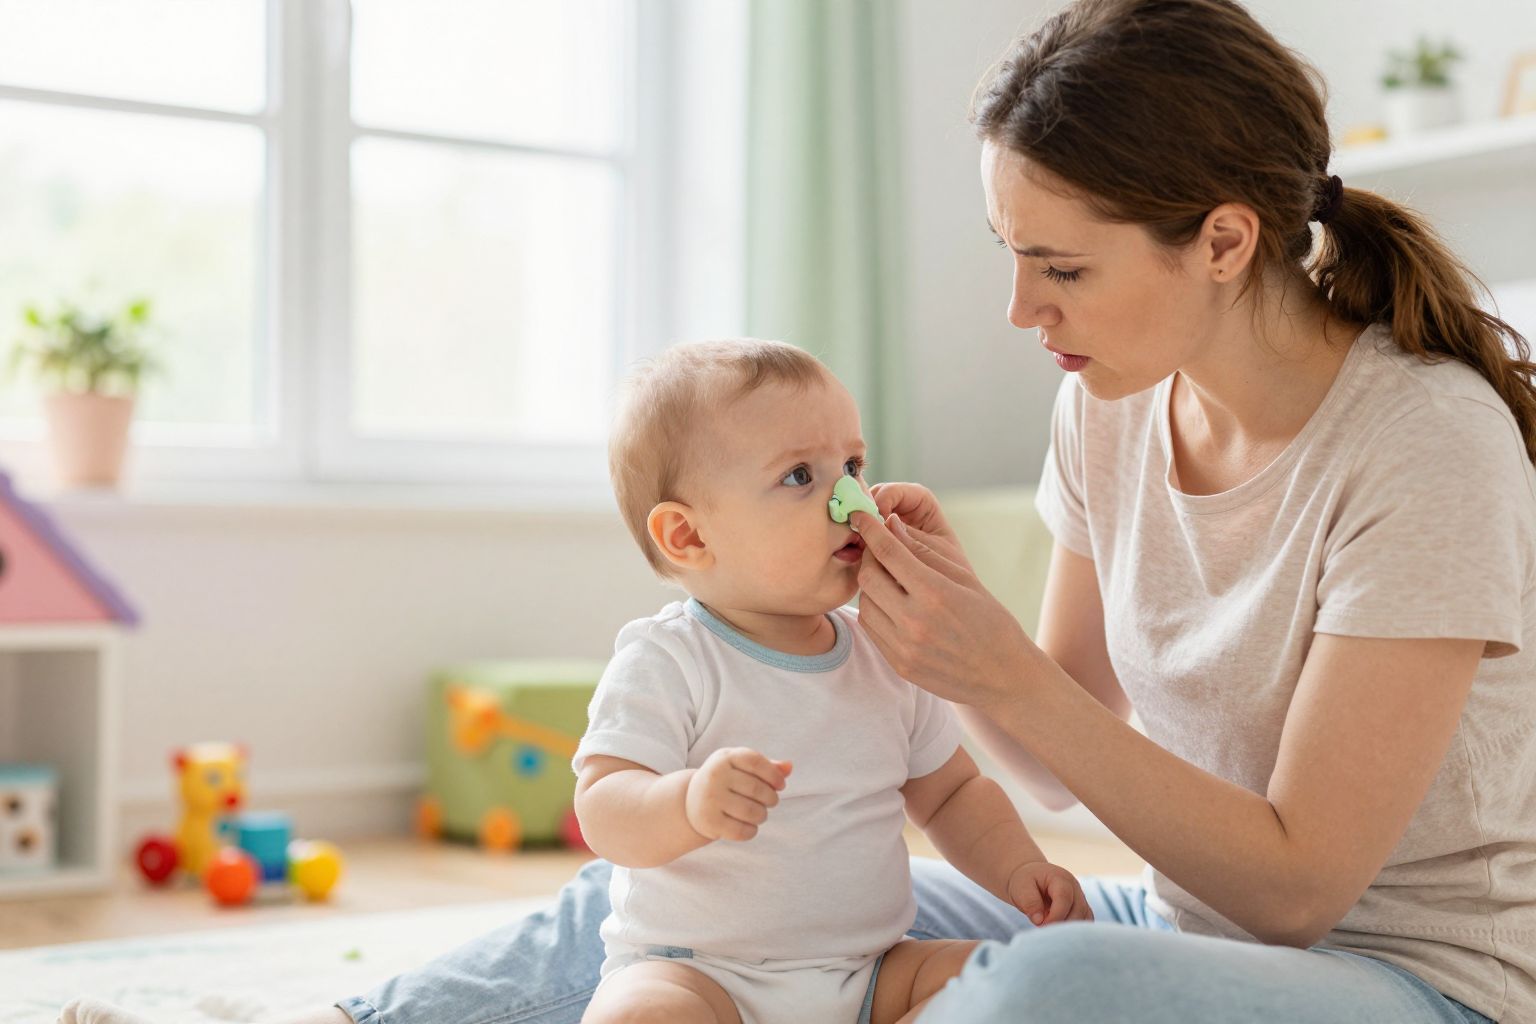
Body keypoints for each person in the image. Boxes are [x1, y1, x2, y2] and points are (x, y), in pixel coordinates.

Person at [62, 0, 1535, 1021]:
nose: (1021, 310)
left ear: (1224, 240)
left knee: (1055, 993)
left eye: (1063, 269)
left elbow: (1294, 890)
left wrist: (996, 670)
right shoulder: (1106, 406)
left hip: (1402, 983)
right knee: (704, 894)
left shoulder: (1427, 445)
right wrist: (940, 642)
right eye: (1006, 254)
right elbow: (1069, 772)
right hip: (1188, 928)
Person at [573, 339, 1088, 1024]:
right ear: (688, 537)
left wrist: (1019, 869)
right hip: (701, 973)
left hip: (873, 972)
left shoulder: (882, 649)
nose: (851, 498)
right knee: (637, 1015)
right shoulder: (669, 659)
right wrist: (688, 802)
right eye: (799, 477)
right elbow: (604, 807)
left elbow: (953, 792)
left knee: (1009, 981)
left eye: (852, 464)